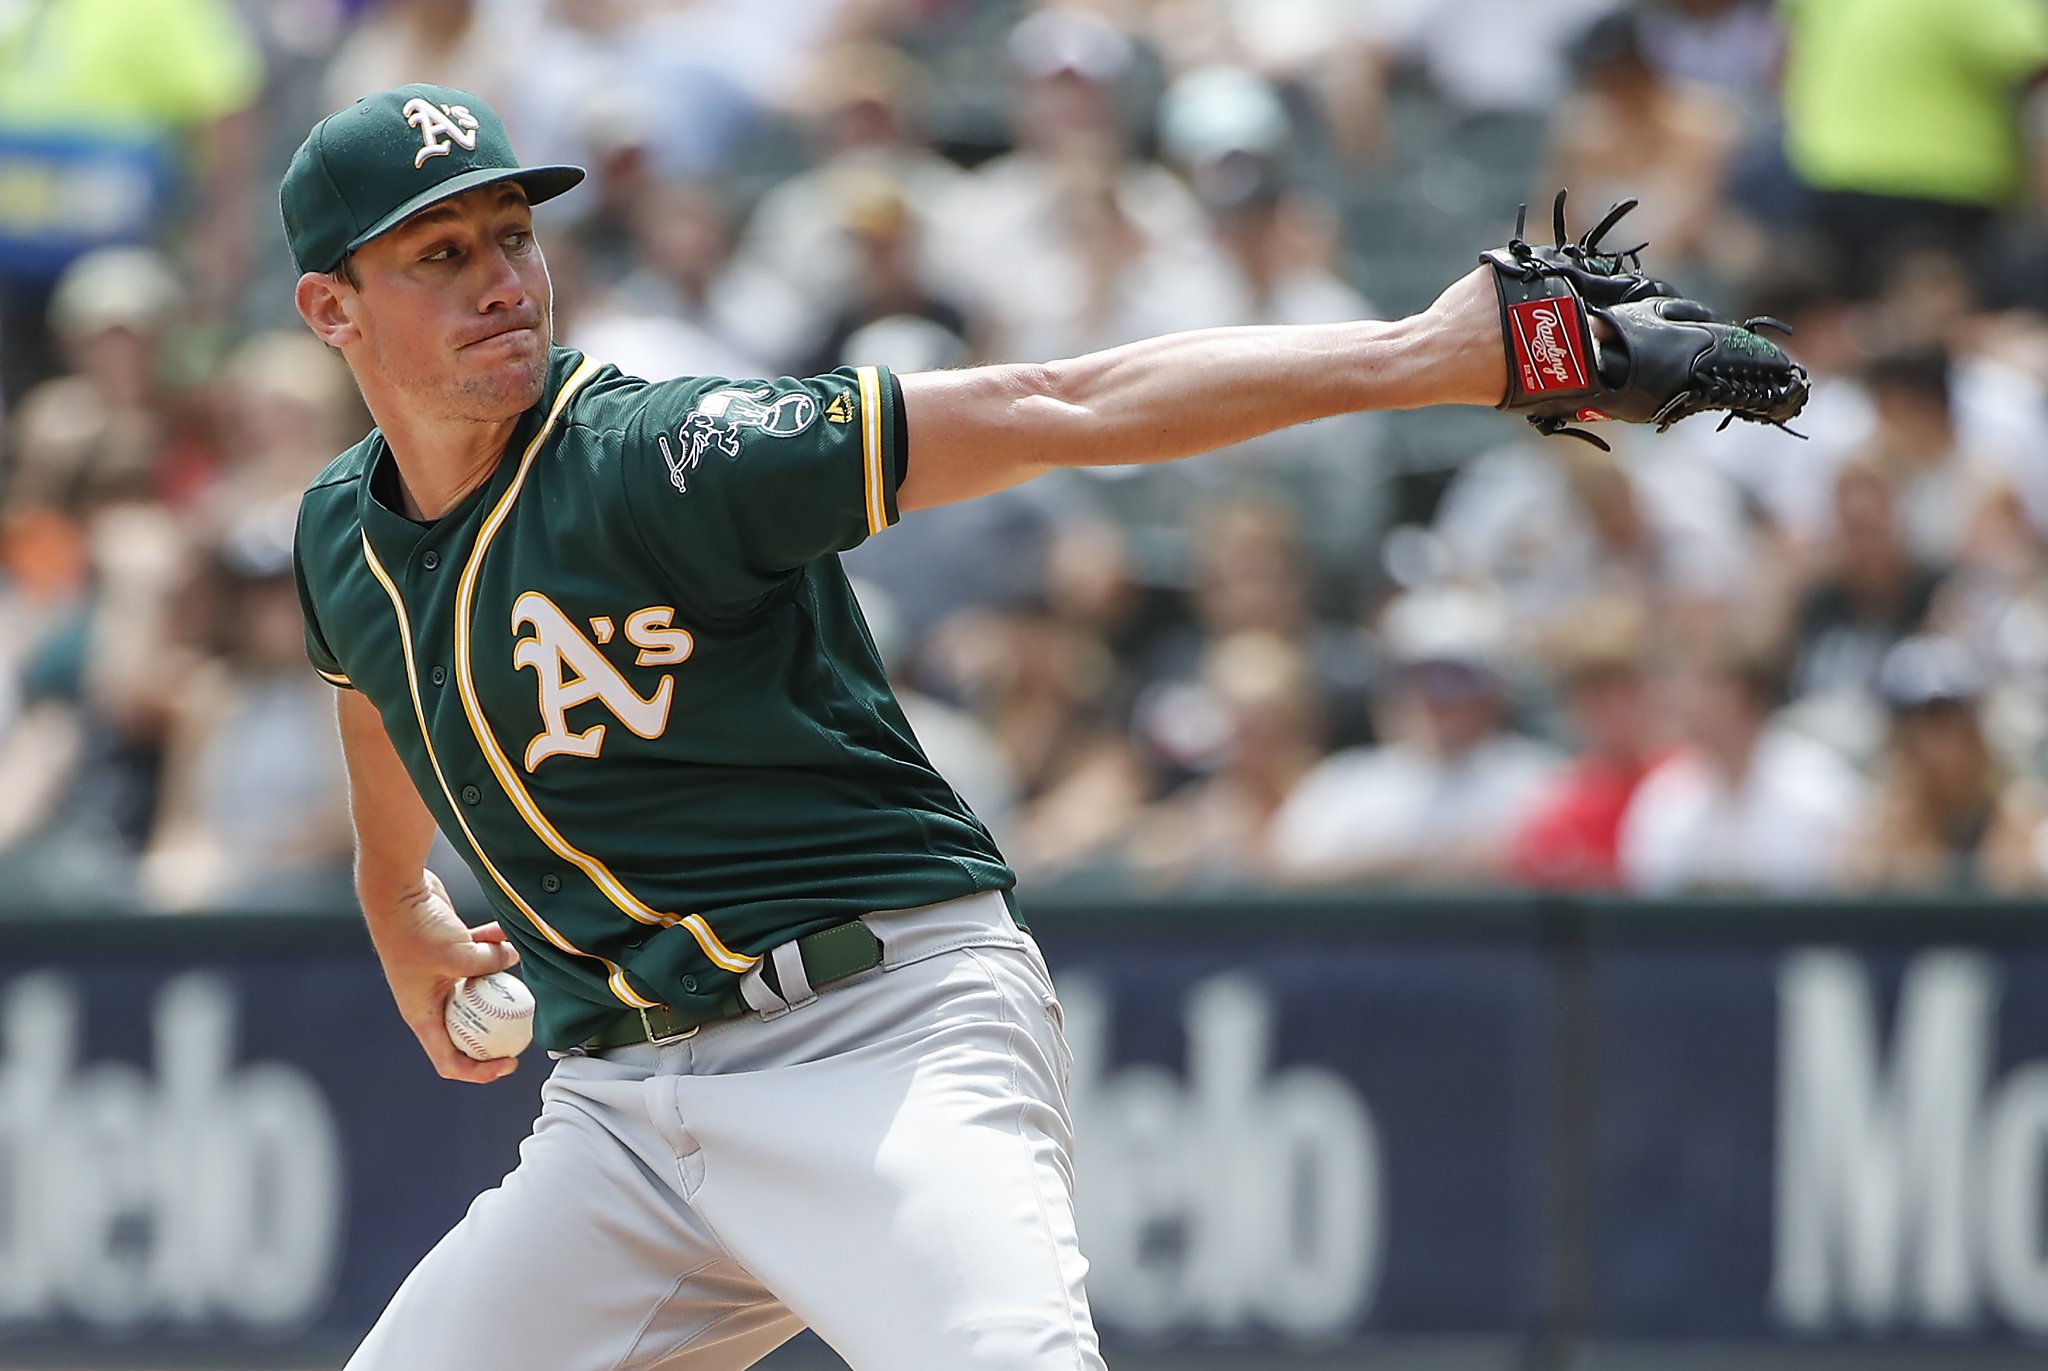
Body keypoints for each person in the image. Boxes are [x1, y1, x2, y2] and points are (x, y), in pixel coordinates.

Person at [278, 83, 1540, 1371]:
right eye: (441, 255)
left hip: (878, 1032)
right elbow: (376, 681)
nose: (502, 280)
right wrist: (394, 894)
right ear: (333, 308)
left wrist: (1432, 354)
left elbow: (1066, 402)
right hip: (618, 1115)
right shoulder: (338, 536)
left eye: (514, 236)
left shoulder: (665, 459)